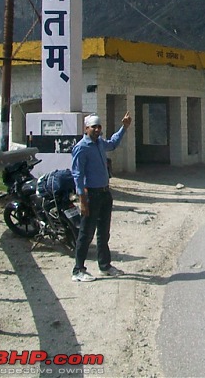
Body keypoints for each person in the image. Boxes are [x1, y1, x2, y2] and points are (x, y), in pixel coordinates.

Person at [71, 112, 132, 282]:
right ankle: (78, 270)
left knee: (103, 233)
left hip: (104, 193)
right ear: (86, 128)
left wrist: (124, 128)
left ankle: (104, 266)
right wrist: (82, 199)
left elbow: (112, 144)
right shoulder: (82, 147)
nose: (97, 129)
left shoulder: (99, 144)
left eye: (99, 126)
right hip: (91, 195)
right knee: (86, 233)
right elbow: (78, 175)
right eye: (94, 127)